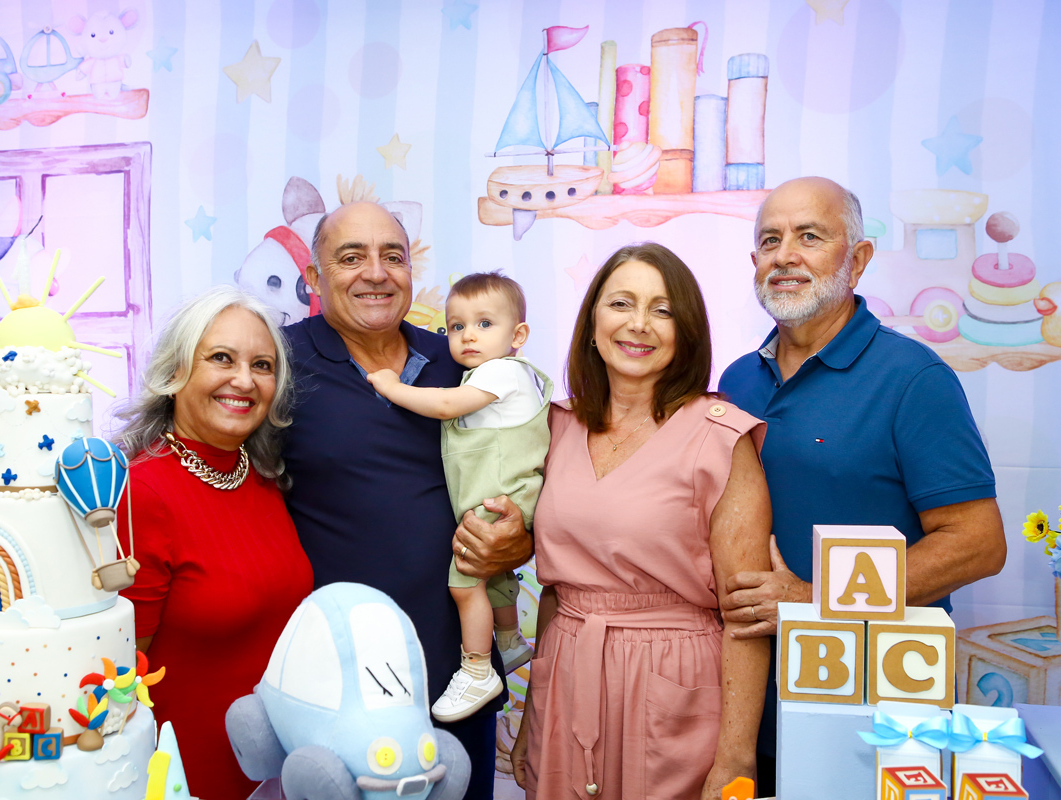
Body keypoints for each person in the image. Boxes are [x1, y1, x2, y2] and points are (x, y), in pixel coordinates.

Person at [716, 177, 1006, 794]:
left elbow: (978, 543)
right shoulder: (736, 381)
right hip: (752, 707)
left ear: (859, 258)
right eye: (770, 240)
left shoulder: (913, 378)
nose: (785, 256)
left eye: (809, 237)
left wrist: (815, 599)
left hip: (878, 712)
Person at [280, 201, 533, 799]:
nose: (376, 273)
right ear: (313, 278)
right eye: (351, 258)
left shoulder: (462, 359)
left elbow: (529, 458)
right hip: (339, 680)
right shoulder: (279, 361)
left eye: (392, 257)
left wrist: (521, 537)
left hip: (457, 672)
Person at [510, 243, 773, 800]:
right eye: (621, 303)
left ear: (687, 332)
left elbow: (746, 615)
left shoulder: (720, 437)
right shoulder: (557, 427)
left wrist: (735, 757)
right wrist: (532, 715)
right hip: (565, 680)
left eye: (662, 310)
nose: (638, 324)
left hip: (674, 686)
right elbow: (558, 589)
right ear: (592, 323)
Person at [116, 286, 314, 799]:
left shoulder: (263, 477)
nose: (244, 380)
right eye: (222, 358)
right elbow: (118, 673)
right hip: (184, 776)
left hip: (273, 771)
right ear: (175, 372)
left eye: (262, 365)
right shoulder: (142, 493)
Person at [368, 271, 551, 723]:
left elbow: (447, 406)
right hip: (497, 497)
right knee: (494, 575)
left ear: (518, 336)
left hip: (502, 500)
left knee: (464, 580)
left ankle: (477, 669)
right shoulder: (489, 376)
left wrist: (392, 387)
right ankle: (509, 640)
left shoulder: (503, 372)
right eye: (456, 326)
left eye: (484, 324)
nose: (468, 335)